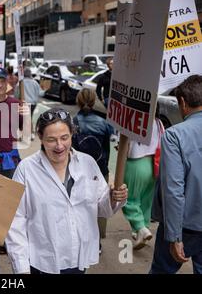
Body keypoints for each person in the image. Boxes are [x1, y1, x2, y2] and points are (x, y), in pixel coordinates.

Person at [6, 108, 128, 274]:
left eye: (65, 138)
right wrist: (21, 268)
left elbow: (102, 208)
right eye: (51, 140)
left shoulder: (88, 164)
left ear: (72, 133)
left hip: (78, 260)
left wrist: (113, 198)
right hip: (42, 264)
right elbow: (15, 221)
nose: (59, 146)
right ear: (40, 137)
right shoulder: (26, 169)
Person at [150, 75, 202, 274]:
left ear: (182, 102)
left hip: (185, 225)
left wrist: (174, 236)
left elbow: (173, 189)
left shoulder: (174, 135)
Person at [72, 89, 114, 249]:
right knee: (101, 204)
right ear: (94, 100)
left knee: (82, 206)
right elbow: (108, 147)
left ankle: (84, 239)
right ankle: (98, 241)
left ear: (79, 101)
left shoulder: (74, 122)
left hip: (79, 170)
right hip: (100, 168)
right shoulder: (103, 122)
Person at [121, 105, 164, 250]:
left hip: (135, 163)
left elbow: (124, 147)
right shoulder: (158, 122)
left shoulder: (132, 121)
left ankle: (140, 228)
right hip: (153, 164)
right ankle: (142, 230)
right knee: (146, 200)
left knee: (128, 199)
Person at [14, 68, 44, 139]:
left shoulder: (20, 83)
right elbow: (41, 93)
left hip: (23, 103)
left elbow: (16, 94)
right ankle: (31, 134)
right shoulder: (35, 83)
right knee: (30, 117)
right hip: (33, 103)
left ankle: (21, 134)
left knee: (22, 119)